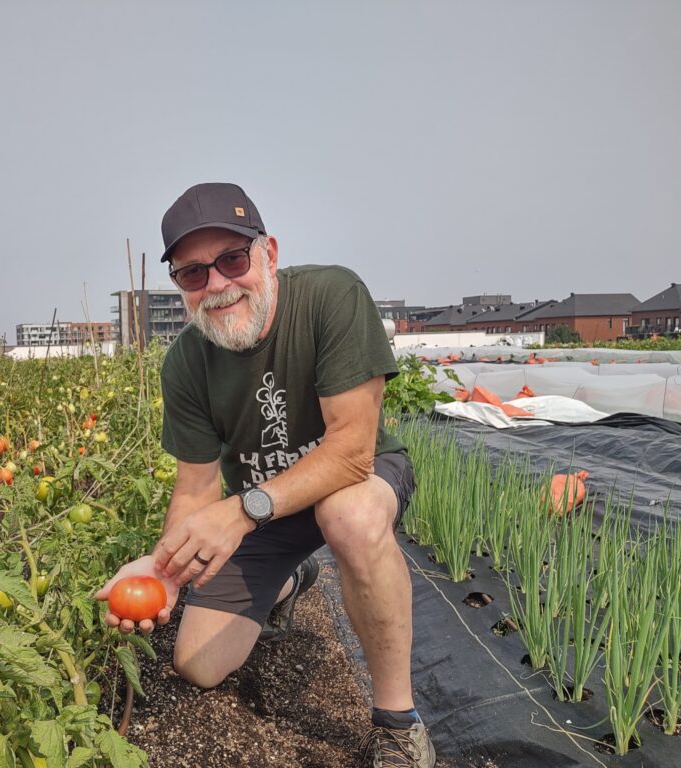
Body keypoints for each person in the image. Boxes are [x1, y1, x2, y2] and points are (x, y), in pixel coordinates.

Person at [95, 182, 435, 768]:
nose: (217, 285)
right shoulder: (186, 363)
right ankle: (291, 578)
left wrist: (241, 511)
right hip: (265, 510)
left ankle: (398, 725)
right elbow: (197, 487)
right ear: (179, 286)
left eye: (232, 259)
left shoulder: (332, 297)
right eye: (193, 273)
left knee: (348, 516)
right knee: (197, 664)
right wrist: (165, 570)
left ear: (268, 253)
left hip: (355, 480)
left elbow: (351, 451)